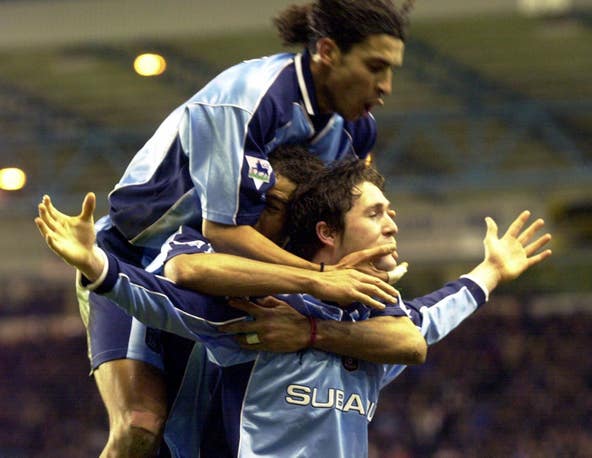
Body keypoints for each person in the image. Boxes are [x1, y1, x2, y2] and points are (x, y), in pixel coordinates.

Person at [37, 159, 552, 457]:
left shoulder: (371, 327)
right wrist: (98, 266)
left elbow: (424, 325)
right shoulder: (262, 312)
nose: (393, 225)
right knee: (135, 429)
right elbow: (169, 299)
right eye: (376, 214)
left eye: (390, 213)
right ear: (326, 232)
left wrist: (491, 272)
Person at [80, 1, 416, 454]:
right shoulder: (242, 100)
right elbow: (223, 233)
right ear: (328, 52)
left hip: (238, 276)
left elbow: (340, 217)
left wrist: (367, 264)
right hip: (136, 258)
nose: (386, 86)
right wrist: (320, 279)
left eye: (391, 70)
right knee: (140, 426)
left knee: (199, 442)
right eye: (376, 67)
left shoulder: (356, 131)